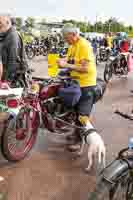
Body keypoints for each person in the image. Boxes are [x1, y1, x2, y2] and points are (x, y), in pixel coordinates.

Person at [57, 23, 105, 157]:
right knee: (74, 110)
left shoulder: (84, 45)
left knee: (82, 114)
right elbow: (70, 59)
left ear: (73, 34)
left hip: (86, 85)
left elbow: (85, 68)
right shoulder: (72, 45)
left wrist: (65, 65)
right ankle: (75, 133)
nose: (65, 40)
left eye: (66, 37)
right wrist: (62, 61)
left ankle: (80, 142)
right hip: (76, 82)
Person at [0, 14, 29, 81]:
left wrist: (7, 80)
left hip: (14, 78)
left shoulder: (13, 36)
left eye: (0, 23)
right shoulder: (5, 35)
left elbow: (13, 61)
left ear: (7, 22)